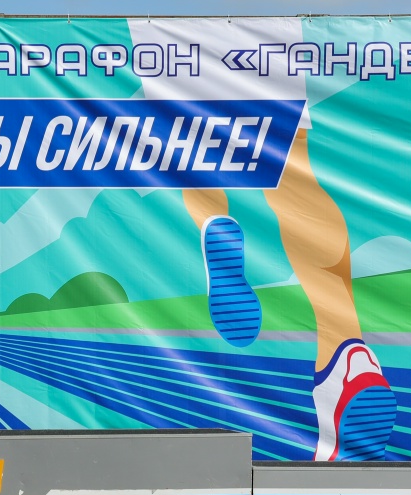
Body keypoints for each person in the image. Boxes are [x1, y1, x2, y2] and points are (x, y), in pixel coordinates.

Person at [129, 18, 397, 461]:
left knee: (190, 148)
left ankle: (213, 220)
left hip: (171, 35)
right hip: (266, 36)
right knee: (294, 172)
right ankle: (347, 353)